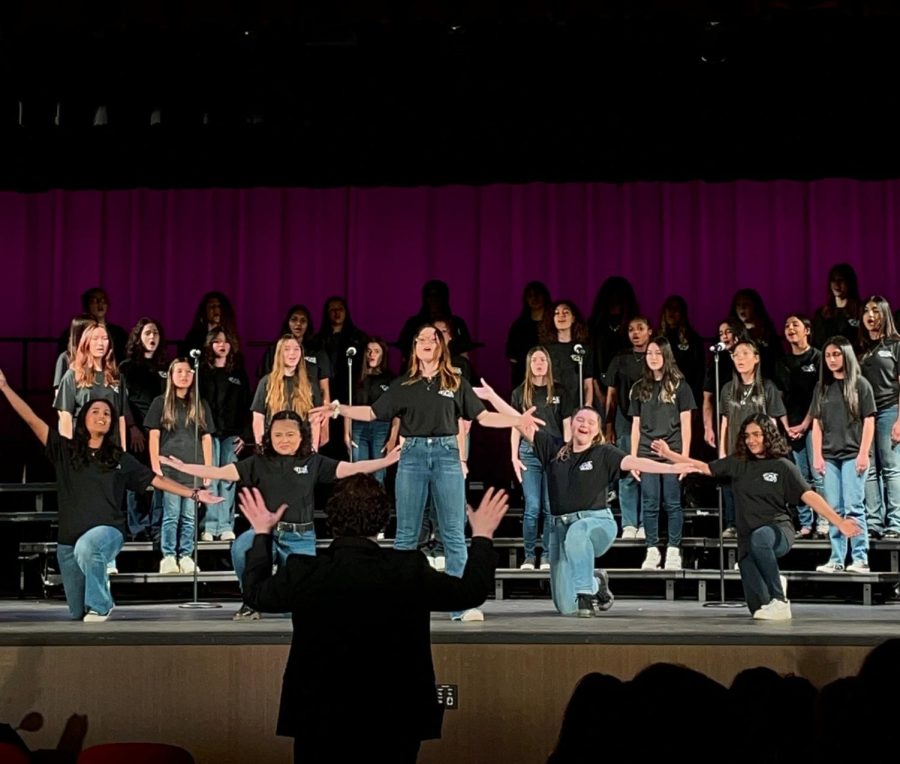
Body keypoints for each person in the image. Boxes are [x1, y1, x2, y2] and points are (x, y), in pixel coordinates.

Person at [237, 477, 508, 764]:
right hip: (395, 717)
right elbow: (470, 592)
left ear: (332, 519)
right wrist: (482, 536)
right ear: (383, 520)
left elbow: (255, 594)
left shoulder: (304, 571)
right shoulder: (408, 569)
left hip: (319, 716)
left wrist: (262, 534)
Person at [317, 324, 542, 622]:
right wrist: (338, 409)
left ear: (439, 346)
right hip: (412, 456)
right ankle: (401, 602)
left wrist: (516, 420)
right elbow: (373, 413)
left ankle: (460, 604)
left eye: (431, 338)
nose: (426, 342)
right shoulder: (404, 385)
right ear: (414, 347)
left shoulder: (456, 382)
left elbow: (483, 417)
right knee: (407, 533)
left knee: (452, 532)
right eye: (420, 339)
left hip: (448, 454)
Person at [0, 369, 220, 622]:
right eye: (95, 412)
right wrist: (5, 387)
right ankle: (97, 601)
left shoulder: (119, 458)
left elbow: (156, 480)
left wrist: (194, 493)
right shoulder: (65, 450)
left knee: (89, 550)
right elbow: (31, 419)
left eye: (107, 413)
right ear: (82, 418)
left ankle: (103, 604)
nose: (102, 416)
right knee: (77, 611)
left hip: (108, 531)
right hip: (69, 542)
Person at [474, 386, 696, 617]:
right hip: (560, 529)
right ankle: (595, 582)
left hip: (597, 524)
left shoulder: (604, 453)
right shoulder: (554, 448)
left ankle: (585, 596)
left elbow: (636, 462)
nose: (584, 424)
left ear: (597, 430)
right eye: (580, 419)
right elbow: (520, 423)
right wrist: (492, 396)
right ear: (572, 424)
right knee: (564, 607)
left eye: (591, 422)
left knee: (578, 532)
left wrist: (671, 467)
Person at [161, 410, 400, 620]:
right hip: (266, 534)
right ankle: (251, 602)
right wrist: (184, 468)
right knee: (241, 547)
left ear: (301, 436)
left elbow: (352, 468)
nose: (284, 440)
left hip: (300, 536)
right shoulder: (258, 462)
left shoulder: (313, 461)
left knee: (305, 601)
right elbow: (220, 472)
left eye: (290, 435)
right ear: (269, 437)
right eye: (278, 435)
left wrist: (386, 461)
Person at [653, 413, 860, 620]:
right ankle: (775, 581)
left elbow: (809, 495)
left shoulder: (782, 465)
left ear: (767, 436)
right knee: (758, 609)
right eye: (747, 436)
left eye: (756, 435)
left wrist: (839, 521)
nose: (751, 440)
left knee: (760, 539)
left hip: (777, 531)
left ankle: (780, 600)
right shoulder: (738, 463)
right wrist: (670, 454)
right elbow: (703, 467)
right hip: (747, 541)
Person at [628, 337, 695, 571]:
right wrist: (634, 457)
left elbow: (687, 424)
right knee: (650, 502)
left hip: (672, 451)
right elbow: (635, 425)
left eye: (658, 353)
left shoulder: (680, 386)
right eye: (649, 353)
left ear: (666, 356)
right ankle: (652, 549)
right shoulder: (639, 388)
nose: (653, 357)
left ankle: (674, 550)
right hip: (646, 453)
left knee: (673, 503)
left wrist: (683, 458)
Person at [145, 359, 215, 574]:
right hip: (170, 472)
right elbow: (154, 435)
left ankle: (186, 555)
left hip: (193, 469)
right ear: (171, 375)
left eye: (188, 371)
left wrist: (208, 468)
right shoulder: (161, 403)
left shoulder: (200, 405)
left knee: (189, 517)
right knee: (172, 515)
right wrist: (155, 464)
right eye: (179, 371)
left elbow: (206, 438)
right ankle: (168, 556)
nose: (184, 375)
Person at [811, 336, 875, 573]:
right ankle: (837, 558)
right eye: (828, 355)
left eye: (836, 354)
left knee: (853, 507)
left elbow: (869, 421)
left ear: (846, 355)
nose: (831, 359)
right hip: (830, 456)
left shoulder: (860, 385)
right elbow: (816, 424)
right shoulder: (822, 388)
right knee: (833, 510)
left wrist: (863, 454)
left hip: (852, 455)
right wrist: (817, 455)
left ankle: (859, 557)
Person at [510, 346, 571, 571]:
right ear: (529, 364)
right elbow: (515, 426)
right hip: (529, 453)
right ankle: (528, 556)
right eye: (534, 359)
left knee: (549, 507)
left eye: (542, 359)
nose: (538, 363)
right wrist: (514, 456)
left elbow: (566, 426)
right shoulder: (520, 393)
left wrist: (568, 454)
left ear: (548, 364)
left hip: (555, 454)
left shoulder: (560, 391)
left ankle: (546, 556)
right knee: (532, 506)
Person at [198, 326, 251, 541]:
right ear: (210, 344)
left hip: (231, 434)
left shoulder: (238, 373)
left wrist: (245, 435)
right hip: (209, 434)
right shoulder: (202, 370)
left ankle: (226, 524)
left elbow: (248, 405)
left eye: (226, 341)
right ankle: (209, 526)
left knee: (228, 479)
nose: (222, 345)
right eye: (217, 341)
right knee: (211, 478)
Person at [118, 318, 169, 541]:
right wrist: (132, 427)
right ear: (139, 337)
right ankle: (137, 527)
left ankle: (157, 525)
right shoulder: (127, 367)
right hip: (137, 431)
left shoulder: (165, 368)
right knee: (135, 479)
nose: (152, 337)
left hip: (161, 432)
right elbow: (123, 402)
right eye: (148, 333)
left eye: (156, 333)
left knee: (161, 477)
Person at [775, 314, 825, 538]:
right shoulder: (782, 363)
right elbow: (778, 397)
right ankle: (806, 522)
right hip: (791, 426)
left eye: (795, 324)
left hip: (814, 424)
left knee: (818, 474)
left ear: (807, 330)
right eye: (786, 325)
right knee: (800, 477)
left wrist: (805, 424)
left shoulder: (818, 358)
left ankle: (823, 519)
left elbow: (819, 395)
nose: (790, 328)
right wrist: (786, 426)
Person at [604, 315, 653, 538]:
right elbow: (611, 395)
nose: (635, 333)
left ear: (650, 331)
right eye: (631, 329)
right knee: (627, 473)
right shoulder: (620, 359)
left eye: (640, 328)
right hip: (624, 421)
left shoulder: (656, 357)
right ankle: (629, 524)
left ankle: (645, 523)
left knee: (648, 474)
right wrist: (608, 424)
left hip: (652, 423)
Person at [858, 295, 900, 540]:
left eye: (875, 310)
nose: (870, 315)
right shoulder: (861, 349)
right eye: (866, 311)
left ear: (885, 314)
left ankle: (895, 522)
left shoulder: (896, 344)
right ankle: (874, 522)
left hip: (889, 411)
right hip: (866, 416)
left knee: (892, 469)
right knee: (869, 471)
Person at [53, 322, 128, 447]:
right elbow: (66, 416)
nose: (100, 343)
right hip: (83, 447)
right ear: (86, 342)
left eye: (104, 339)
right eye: (95, 339)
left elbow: (120, 418)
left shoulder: (117, 377)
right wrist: (68, 451)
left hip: (111, 449)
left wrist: (123, 451)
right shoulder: (72, 375)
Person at [344, 337, 398, 485]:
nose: (372, 355)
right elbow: (348, 407)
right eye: (368, 351)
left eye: (376, 351)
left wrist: (393, 438)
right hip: (358, 427)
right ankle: (360, 506)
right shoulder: (357, 377)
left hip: (381, 427)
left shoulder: (391, 378)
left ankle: (377, 507)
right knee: (359, 472)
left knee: (378, 474)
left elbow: (397, 412)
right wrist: (346, 434)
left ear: (383, 355)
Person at [57, 287, 129, 363]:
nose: (100, 303)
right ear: (86, 306)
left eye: (103, 300)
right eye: (94, 300)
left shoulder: (119, 333)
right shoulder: (74, 332)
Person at [506, 281, 551, 388]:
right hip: (524, 378)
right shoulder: (519, 326)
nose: (534, 298)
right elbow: (512, 357)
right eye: (530, 296)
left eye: (537, 294)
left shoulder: (554, 324)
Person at [812, 263, 862, 351]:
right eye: (833, 280)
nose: (836, 284)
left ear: (849, 282)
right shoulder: (822, 314)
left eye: (840, 280)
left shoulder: (861, 311)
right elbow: (817, 343)